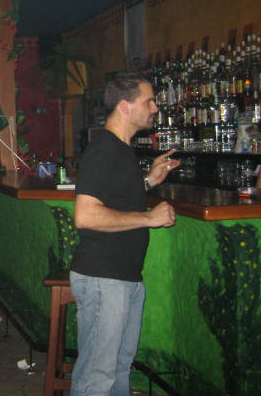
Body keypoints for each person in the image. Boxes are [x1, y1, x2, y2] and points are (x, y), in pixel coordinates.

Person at [70, 73, 180, 396]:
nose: (155, 108)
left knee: (118, 369)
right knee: (97, 376)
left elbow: (112, 196)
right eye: (149, 101)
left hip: (123, 277)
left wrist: (148, 181)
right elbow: (86, 215)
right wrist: (149, 218)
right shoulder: (104, 148)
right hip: (104, 278)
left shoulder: (119, 149)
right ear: (124, 106)